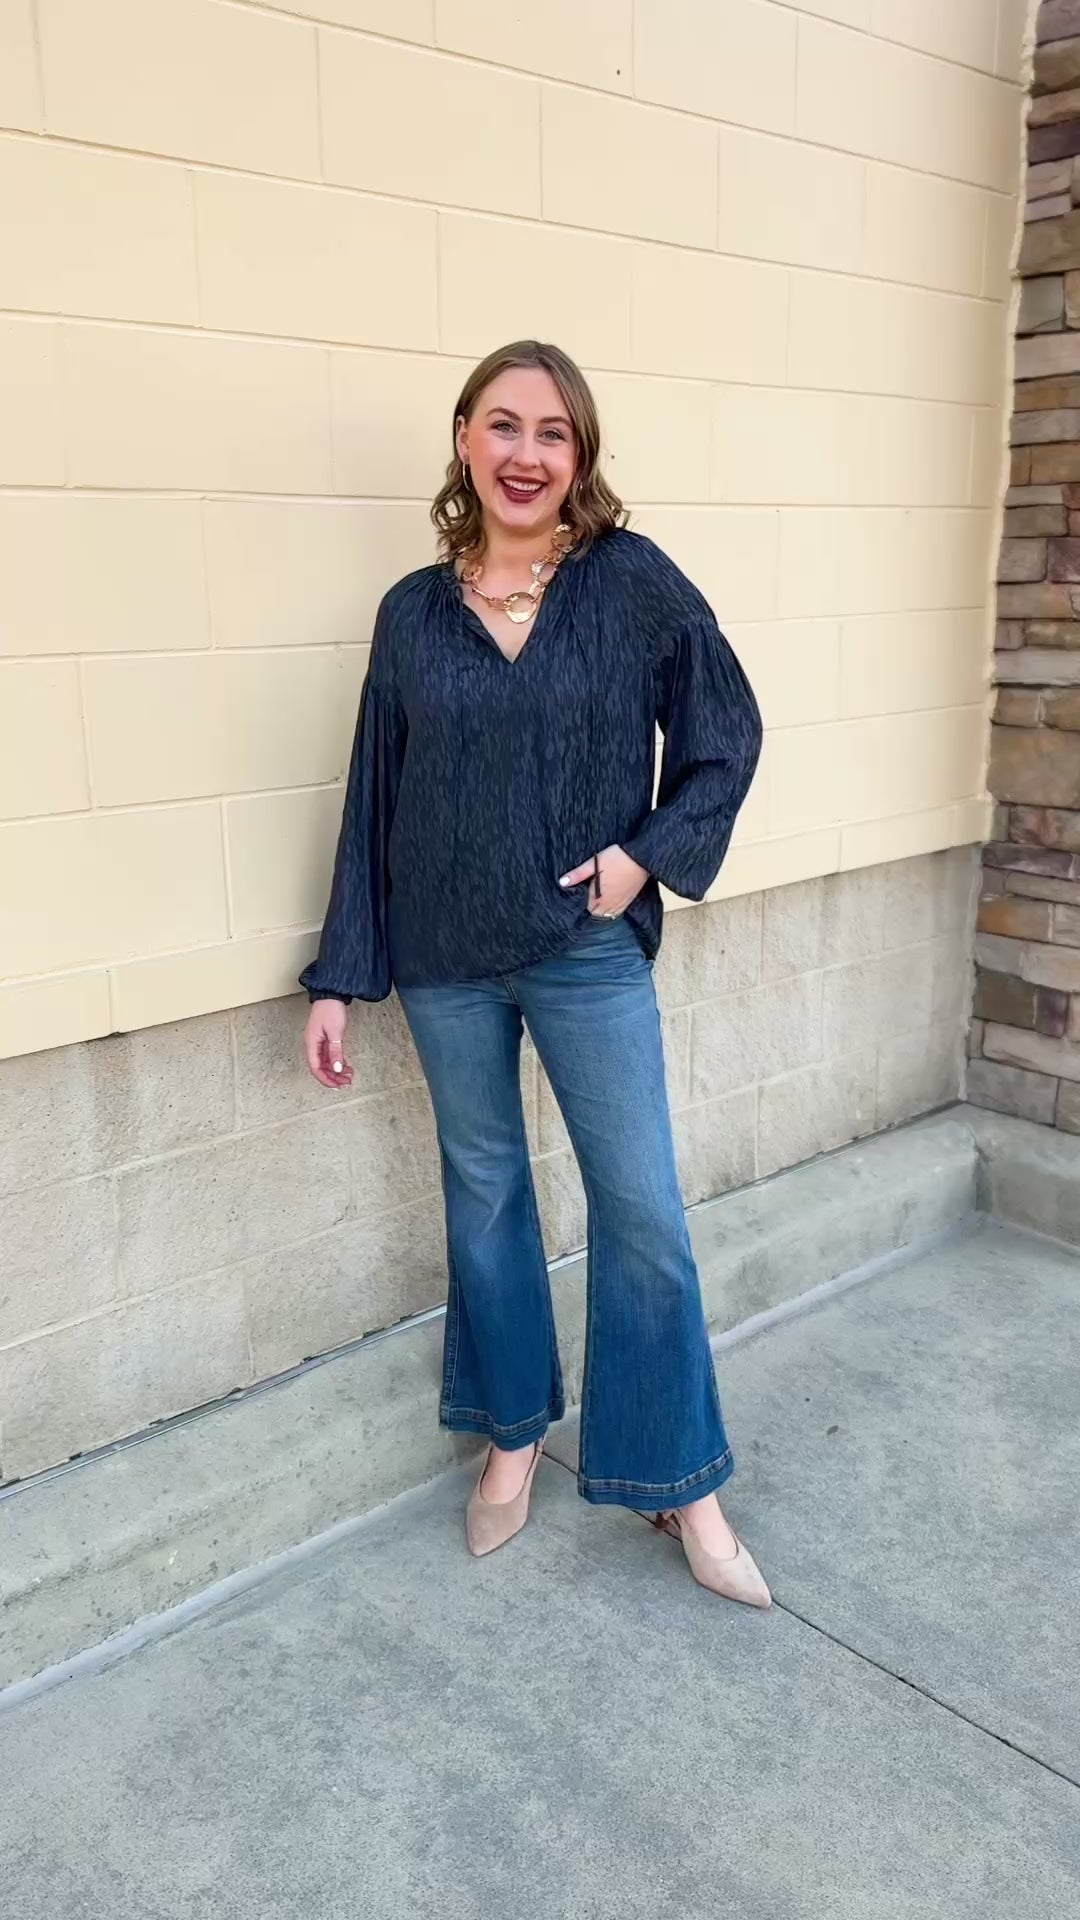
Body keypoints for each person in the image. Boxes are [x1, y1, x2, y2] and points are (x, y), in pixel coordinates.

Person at [299, 340, 769, 1608]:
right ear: (464, 440)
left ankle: (681, 1478)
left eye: (552, 432)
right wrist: (342, 974)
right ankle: (511, 1436)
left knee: (643, 1210)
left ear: (581, 455)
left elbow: (727, 733)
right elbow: (375, 796)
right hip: (443, 958)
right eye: (502, 426)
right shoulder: (412, 612)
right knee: (487, 1195)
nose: (525, 454)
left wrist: (642, 858)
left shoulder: (629, 583)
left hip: (583, 950)